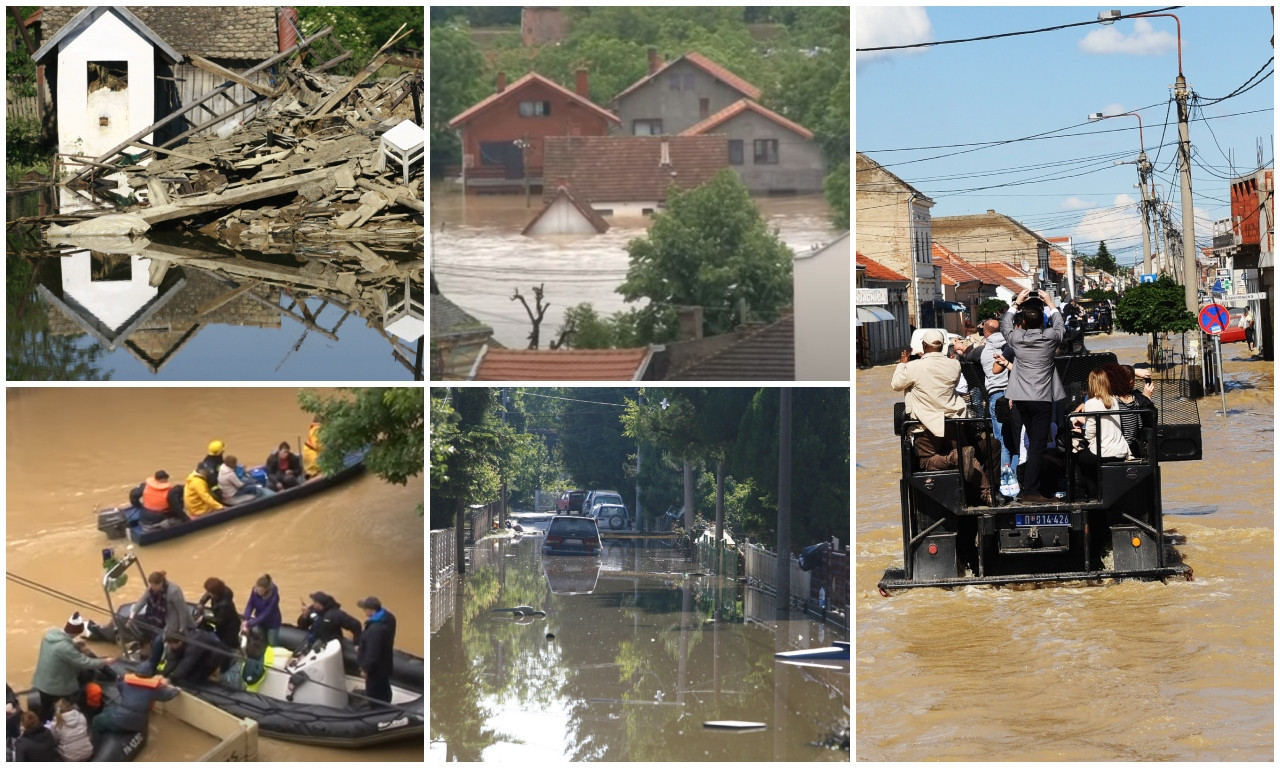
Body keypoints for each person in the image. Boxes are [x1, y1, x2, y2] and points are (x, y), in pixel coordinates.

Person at [890, 329, 992, 505]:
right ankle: (987, 493)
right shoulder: (954, 365)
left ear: (923, 345)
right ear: (943, 345)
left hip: (926, 425)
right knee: (968, 455)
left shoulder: (914, 367)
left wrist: (902, 364)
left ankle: (955, 457)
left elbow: (896, 384)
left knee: (926, 462)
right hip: (954, 420)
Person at [1000, 289, 1066, 503]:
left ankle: (1028, 487)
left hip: (1020, 399)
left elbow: (1005, 325)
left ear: (1025, 324)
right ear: (1042, 322)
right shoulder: (1049, 338)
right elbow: (1060, 326)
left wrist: (1016, 303)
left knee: (1027, 444)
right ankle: (1031, 490)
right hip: (1042, 398)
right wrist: (1050, 302)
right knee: (1037, 444)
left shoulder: (1017, 339)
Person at [30, 613, 115, 724]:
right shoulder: (66, 648)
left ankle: (44, 724)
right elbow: (85, 662)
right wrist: (105, 661)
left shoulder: (49, 634)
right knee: (73, 701)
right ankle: (84, 719)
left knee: (45, 708)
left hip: (41, 681)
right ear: (77, 632)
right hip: (58, 687)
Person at [1070, 369, 1132, 498]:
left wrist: (1081, 428)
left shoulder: (1091, 403)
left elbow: (1090, 433)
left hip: (1103, 451)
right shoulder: (1114, 400)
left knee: (1076, 458)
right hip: (1119, 450)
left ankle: (1085, 493)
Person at [979, 318, 1019, 499]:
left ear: (986, 333)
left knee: (1002, 441)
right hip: (1016, 395)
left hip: (997, 397)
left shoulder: (984, 351)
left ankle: (1004, 484)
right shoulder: (1013, 344)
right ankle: (1018, 479)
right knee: (1019, 440)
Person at [128, 571, 192, 669]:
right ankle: (146, 644)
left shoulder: (174, 591)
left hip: (171, 617)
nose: (153, 588)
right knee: (134, 623)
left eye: (155, 586)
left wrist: (182, 628)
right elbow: (142, 600)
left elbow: (182, 610)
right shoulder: (151, 589)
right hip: (155, 615)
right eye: (151, 586)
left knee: (160, 639)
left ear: (161, 583)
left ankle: (154, 661)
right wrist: (132, 615)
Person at [91, 672, 179, 735]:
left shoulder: (125, 682)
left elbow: (119, 684)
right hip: (139, 723)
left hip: (121, 718)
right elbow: (171, 694)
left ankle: (96, 741)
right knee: (108, 710)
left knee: (96, 720)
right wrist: (167, 685)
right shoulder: (155, 689)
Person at [355, 597, 396, 703]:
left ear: (372, 610)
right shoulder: (389, 618)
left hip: (375, 669)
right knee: (384, 687)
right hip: (385, 662)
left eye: (365, 609)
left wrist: (365, 669)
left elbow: (372, 652)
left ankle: (377, 711)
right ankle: (386, 703)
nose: (364, 611)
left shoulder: (375, 629)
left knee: (374, 693)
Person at [295, 592, 362, 653]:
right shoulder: (312, 610)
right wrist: (304, 616)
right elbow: (302, 627)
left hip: (331, 642)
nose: (313, 604)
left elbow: (356, 625)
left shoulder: (336, 614)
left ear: (320, 604)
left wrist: (357, 643)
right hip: (314, 639)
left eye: (315, 602)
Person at [156, 628, 225, 685]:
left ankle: (206, 678)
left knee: (191, 679)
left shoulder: (192, 647)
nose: (170, 647)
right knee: (182, 675)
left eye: (171, 645)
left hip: (215, 654)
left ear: (179, 642)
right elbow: (172, 660)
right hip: (202, 652)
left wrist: (170, 679)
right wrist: (163, 675)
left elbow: (186, 664)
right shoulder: (177, 645)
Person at [197, 578, 240, 670]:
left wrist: (204, 618)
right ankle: (236, 648)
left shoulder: (225, 604)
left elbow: (219, 621)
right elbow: (208, 594)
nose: (209, 593)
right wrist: (202, 602)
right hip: (223, 621)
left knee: (225, 647)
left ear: (216, 592)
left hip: (230, 626)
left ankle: (224, 667)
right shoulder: (221, 591)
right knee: (229, 642)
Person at [48, 697, 93, 761]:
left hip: (70, 757)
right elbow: (85, 729)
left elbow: (54, 739)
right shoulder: (81, 716)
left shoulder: (55, 724)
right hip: (88, 752)